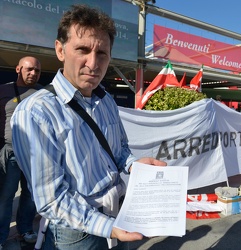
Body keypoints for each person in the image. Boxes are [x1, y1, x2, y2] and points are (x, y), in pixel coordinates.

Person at [11, 5, 166, 250]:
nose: (93, 63)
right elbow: (51, 200)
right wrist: (108, 227)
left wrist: (132, 163)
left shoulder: (106, 100)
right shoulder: (36, 112)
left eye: (102, 53)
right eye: (82, 49)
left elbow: (119, 149)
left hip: (118, 216)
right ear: (60, 50)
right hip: (76, 234)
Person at [0, 56, 41, 248]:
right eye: (29, 69)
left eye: (37, 71)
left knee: (30, 196)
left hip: (36, 154)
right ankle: (1, 235)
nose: (33, 73)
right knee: (5, 196)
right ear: (18, 69)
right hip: (10, 153)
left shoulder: (44, 94)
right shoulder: (4, 90)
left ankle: (25, 229)